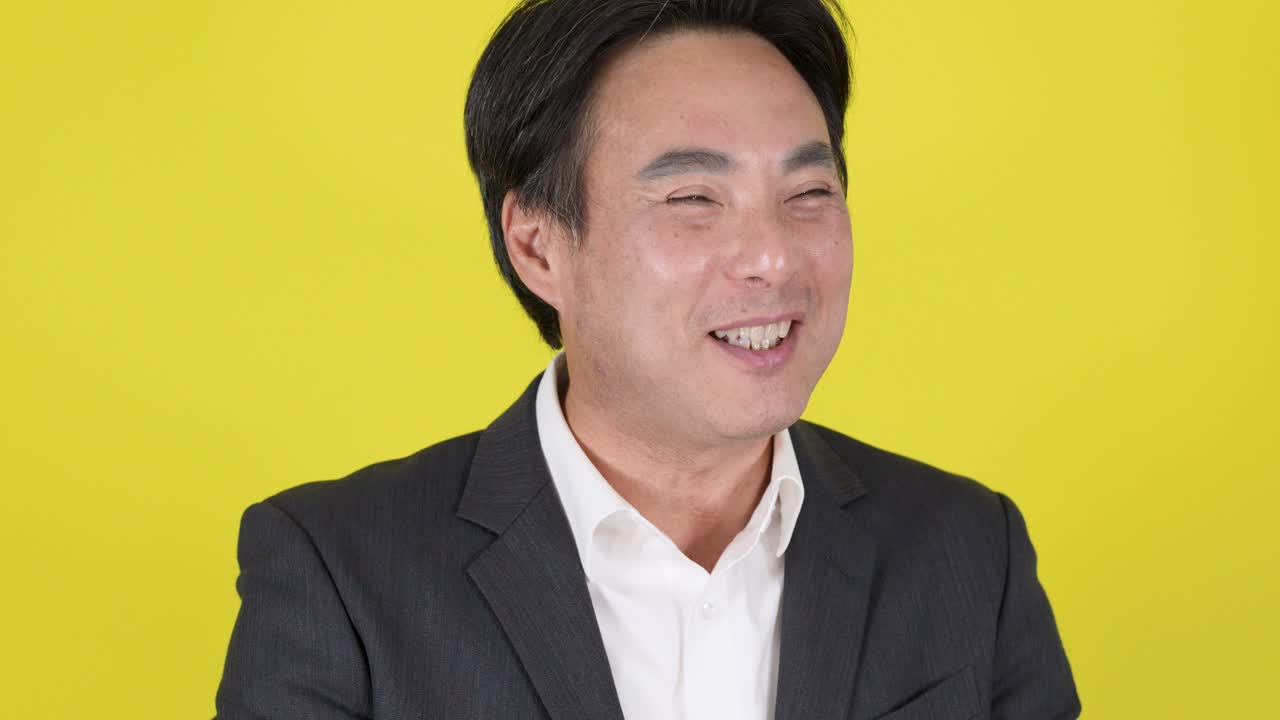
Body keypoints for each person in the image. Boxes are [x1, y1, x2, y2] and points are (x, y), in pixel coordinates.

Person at [214, 1, 1080, 718]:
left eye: (809, 193)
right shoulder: (340, 572)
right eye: (694, 198)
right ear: (539, 245)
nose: (773, 257)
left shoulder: (969, 553)